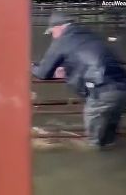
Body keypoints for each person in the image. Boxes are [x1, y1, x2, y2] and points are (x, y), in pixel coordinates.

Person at [32, 11, 126, 149]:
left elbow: (43, 73)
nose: (52, 36)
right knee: (109, 138)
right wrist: (67, 69)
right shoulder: (88, 35)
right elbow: (92, 59)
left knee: (94, 145)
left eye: (52, 32)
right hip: (121, 89)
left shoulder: (62, 40)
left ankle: (100, 165)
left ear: (58, 28)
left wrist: (31, 67)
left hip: (101, 93)